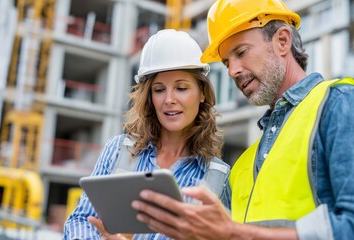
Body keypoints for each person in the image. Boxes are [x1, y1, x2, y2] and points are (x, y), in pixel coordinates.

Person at [131, 0, 354, 239]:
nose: (232, 71)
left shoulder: (338, 104)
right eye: (227, 62)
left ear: (282, 41)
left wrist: (234, 232)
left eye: (241, 52)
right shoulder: (242, 168)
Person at [62, 29, 231, 240]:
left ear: (202, 94)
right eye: (159, 90)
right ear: (150, 97)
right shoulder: (118, 150)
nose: (169, 99)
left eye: (181, 88)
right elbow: (80, 221)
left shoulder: (218, 178)